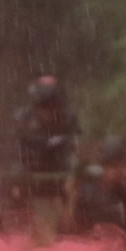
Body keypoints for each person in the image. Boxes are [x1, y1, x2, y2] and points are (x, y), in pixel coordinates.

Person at [10, 75, 81, 241]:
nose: (48, 111)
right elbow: (13, 154)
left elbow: (74, 150)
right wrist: (19, 177)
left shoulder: (69, 120)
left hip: (59, 181)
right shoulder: (22, 121)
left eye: (53, 106)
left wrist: (72, 175)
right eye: (43, 106)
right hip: (30, 180)